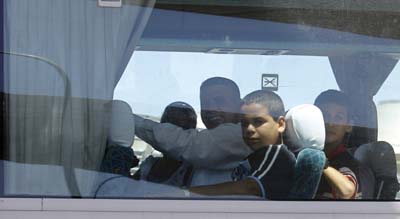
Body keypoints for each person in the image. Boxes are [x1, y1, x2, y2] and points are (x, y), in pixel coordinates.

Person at [133, 77, 252, 186]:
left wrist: (129, 120)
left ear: (241, 107)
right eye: (205, 104)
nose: (210, 109)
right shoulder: (187, 164)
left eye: (219, 101)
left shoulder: (245, 134)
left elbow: (188, 144)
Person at [189, 90, 296, 199]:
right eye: (244, 123)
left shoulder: (276, 154)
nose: (249, 129)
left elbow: (251, 188)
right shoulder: (255, 156)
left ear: (280, 124)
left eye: (258, 122)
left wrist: (187, 193)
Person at [135, 101, 197, 187]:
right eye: (168, 124)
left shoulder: (193, 171)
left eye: (179, 126)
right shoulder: (149, 166)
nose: (168, 132)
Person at [314, 89, 361, 199]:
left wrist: (320, 162)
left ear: (349, 126)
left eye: (338, 117)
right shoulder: (299, 153)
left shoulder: (347, 161)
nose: (330, 123)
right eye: (324, 116)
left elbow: (347, 192)